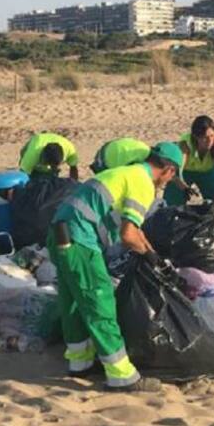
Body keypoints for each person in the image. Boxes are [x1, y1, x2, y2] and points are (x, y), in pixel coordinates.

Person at [48, 142, 184, 392]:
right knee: (100, 301)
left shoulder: (128, 174)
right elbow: (128, 235)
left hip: (59, 232)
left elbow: (136, 230)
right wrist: (152, 259)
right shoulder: (143, 184)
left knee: (73, 301)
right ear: (168, 170)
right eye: (172, 176)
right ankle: (122, 375)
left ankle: (80, 362)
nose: (167, 183)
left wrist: (151, 252)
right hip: (80, 239)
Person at [166, 115, 214, 206]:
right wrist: (185, 188)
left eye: (212, 136)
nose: (209, 140)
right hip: (185, 174)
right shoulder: (185, 145)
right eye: (205, 137)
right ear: (196, 137)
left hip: (208, 173)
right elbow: (175, 173)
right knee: (172, 203)